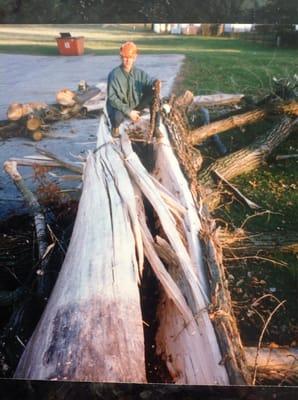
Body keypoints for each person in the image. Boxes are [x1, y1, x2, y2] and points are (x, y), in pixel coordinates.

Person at [106, 41, 157, 138]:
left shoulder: (139, 74)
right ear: (121, 57)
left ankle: (156, 127)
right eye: (125, 57)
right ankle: (115, 128)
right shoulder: (114, 75)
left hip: (135, 105)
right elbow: (112, 98)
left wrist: (155, 83)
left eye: (130, 58)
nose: (127, 60)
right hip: (120, 108)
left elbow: (149, 82)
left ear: (135, 58)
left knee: (154, 93)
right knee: (117, 117)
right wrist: (128, 112)